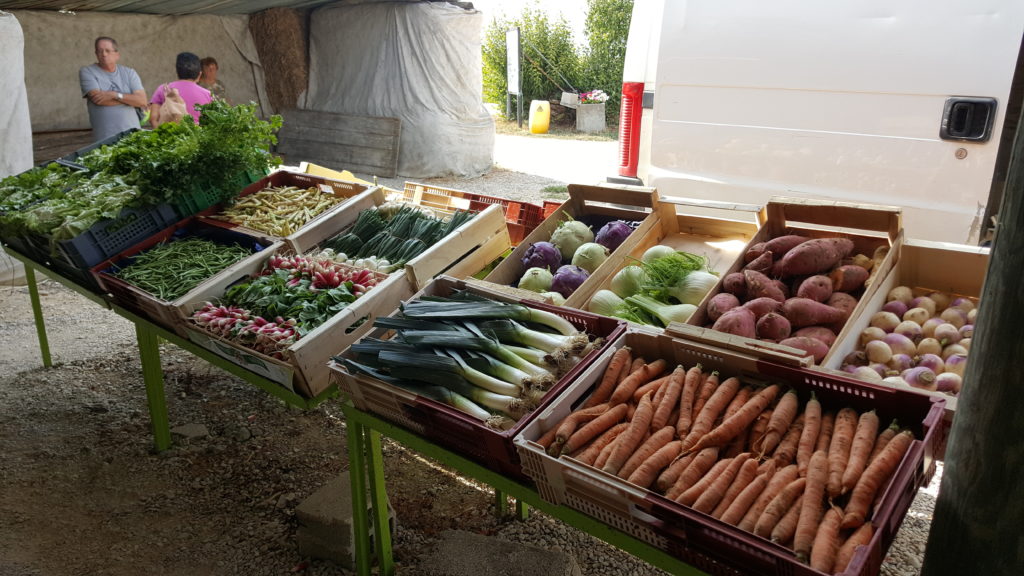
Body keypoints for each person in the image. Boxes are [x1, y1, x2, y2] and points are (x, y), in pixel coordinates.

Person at [79, 36, 147, 142]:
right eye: (100, 51)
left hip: (133, 135)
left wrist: (114, 95)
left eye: (108, 51)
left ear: (117, 55)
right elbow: (98, 99)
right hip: (106, 137)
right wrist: (131, 100)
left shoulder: (129, 73)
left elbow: (142, 101)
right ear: (96, 54)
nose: (104, 54)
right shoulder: (87, 72)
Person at [149, 52, 212, 128]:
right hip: (198, 138)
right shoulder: (208, 95)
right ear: (199, 74)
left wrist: (163, 135)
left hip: (169, 136)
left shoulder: (164, 89)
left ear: (177, 71)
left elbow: (153, 119)